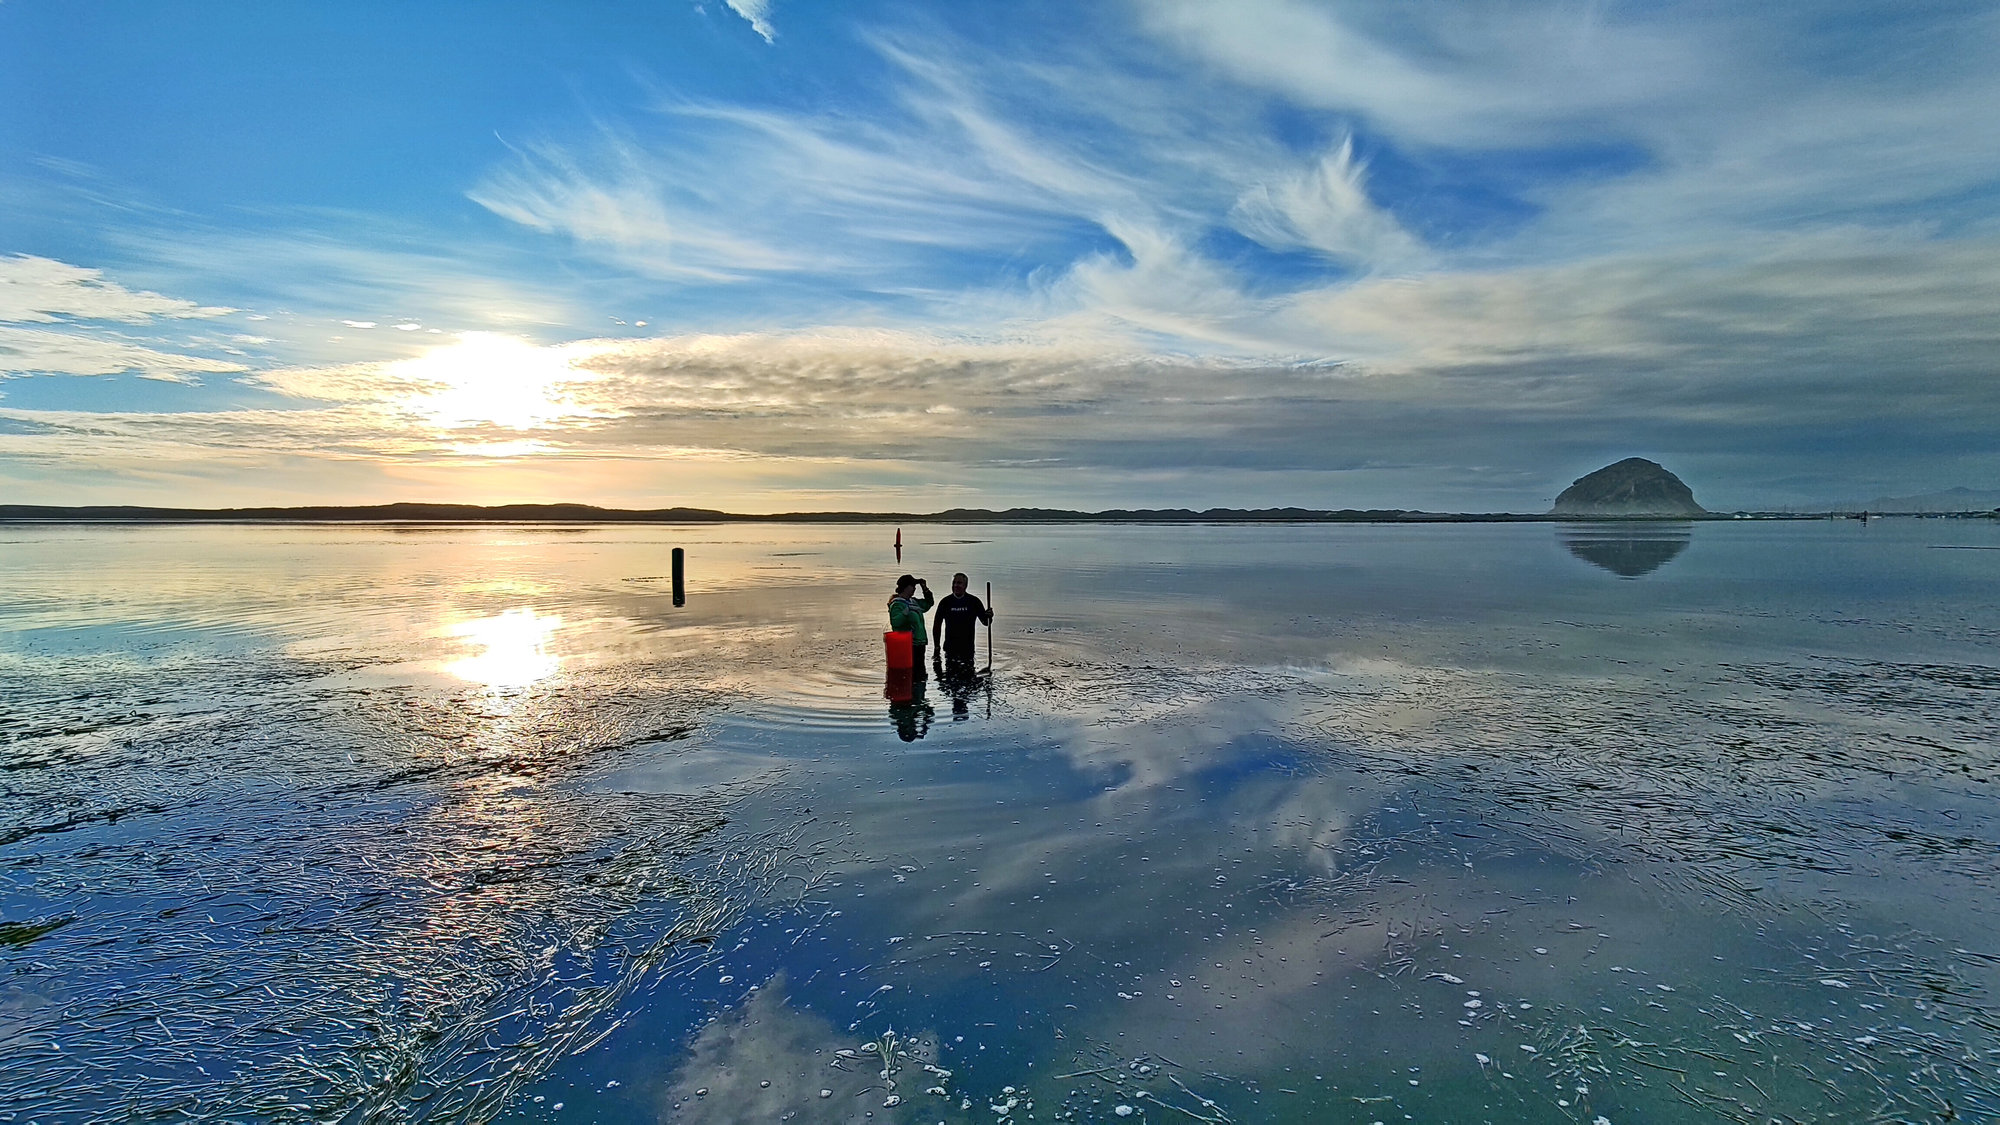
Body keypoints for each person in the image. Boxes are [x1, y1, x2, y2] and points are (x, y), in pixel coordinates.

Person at [930, 572, 992, 679]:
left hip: (967, 648)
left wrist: (989, 616)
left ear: (965, 586)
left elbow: (986, 623)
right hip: (950, 648)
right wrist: (936, 647)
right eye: (954, 583)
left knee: (967, 679)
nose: (956, 586)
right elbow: (937, 626)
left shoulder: (974, 601)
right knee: (952, 679)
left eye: (959, 583)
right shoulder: (945, 602)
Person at [887, 574, 935, 673]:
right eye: (912, 586)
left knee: (920, 671)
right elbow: (896, 622)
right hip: (908, 644)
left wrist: (925, 589)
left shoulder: (914, 602)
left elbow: (929, 603)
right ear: (905, 587)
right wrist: (906, 611)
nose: (914, 588)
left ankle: (919, 687)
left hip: (920, 643)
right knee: (911, 672)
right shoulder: (896, 604)